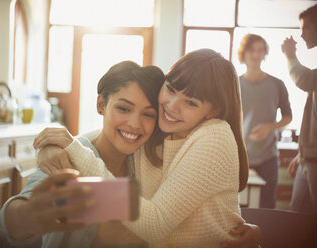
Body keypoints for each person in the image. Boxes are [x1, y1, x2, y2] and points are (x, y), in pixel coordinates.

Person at [35, 49, 261, 247]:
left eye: (191, 102)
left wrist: (75, 150)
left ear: (213, 111)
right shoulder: (163, 128)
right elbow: (113, 134)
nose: (172, 107)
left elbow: (155, 225)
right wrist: (55, 146)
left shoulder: (214, 136)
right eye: (171, 89)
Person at [0, 61, 166, 247]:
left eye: (148, 114)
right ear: (101, 105)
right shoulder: (69, 159)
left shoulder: (151, 164)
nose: (134, 124)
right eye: (123, 109)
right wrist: (30, 214)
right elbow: (7, 222)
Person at [237, 33, 292, 209]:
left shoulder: (277, 84)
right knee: (238, 207)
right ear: (244, 53)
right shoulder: (234, 85)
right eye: (252, 50)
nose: (256, 55)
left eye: (260, 50)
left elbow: (288, 116)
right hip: (240, 156)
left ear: (264, 53)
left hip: (268, 157)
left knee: (267, 207)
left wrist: (270, 127)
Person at [282, 4, 317, 213]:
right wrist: (302, 154)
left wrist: (289, 56)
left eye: (305, 28)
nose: (301, 34)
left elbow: (305, 80)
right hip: (309, 158)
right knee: (297, 216)